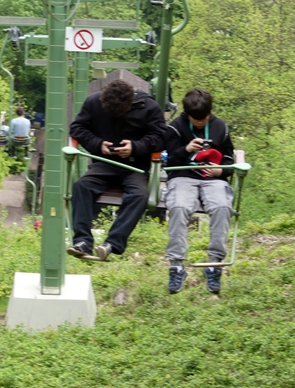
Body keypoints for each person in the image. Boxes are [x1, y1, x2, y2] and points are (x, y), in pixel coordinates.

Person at [66, 79, 166, 261]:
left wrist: (135, 147)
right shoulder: (93, 102)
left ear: (130, 104)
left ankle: (112, 243)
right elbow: (77, 128)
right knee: (81, 186)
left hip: (135, 167)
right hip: (104, 163)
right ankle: (82, 241)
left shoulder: (149, 107)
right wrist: (98, 144)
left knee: (139, 196)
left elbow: (160, 138)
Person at [164, 88, 235, 294]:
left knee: (222, 207)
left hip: (213, 178)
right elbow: (168, 160)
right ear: (187, 114)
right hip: (182, 176)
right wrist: (186, 150)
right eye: (195, 119)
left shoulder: (220, 127)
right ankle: (176, 265)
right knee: (178, 207)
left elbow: (228, 158)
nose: (200, 122)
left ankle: (214, 263)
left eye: (203, 118)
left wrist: (221, 170)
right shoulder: (175, 128)